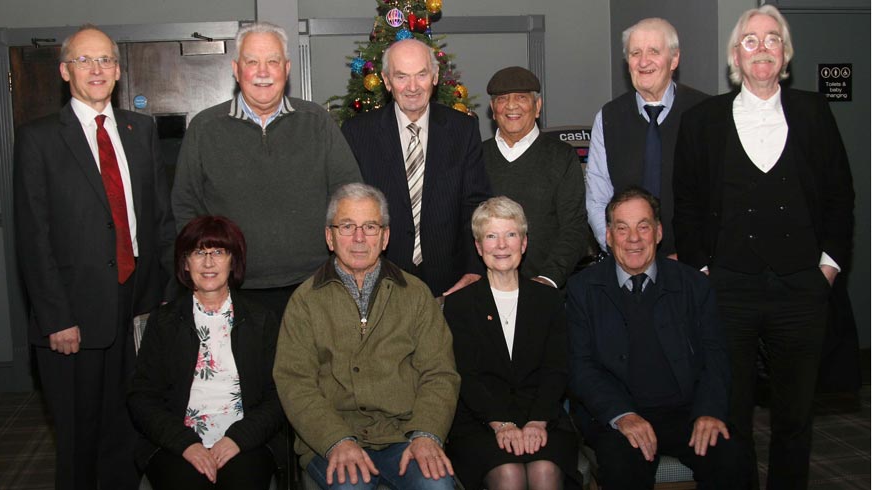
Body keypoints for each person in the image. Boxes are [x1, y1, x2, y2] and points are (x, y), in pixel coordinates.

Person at [672, 6, 854, 488]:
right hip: (729, 290)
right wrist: (703, 272)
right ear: (735, 56)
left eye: (773, 39)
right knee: (731, 415)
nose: (762, 48)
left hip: (801, 289)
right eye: (750, 41)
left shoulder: (815, 113)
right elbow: (686, 205)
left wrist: (828, 268)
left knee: (795, 417)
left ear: (785, 54)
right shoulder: (702, 121)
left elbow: (840, 195)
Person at [12, 25, 175, 490]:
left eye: (105, 59)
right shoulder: (39, 139)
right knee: (79, 441)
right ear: (65, 71)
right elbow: (33, 238)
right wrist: (56, 318)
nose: (97, 69)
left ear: (118, 71)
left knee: (127, 432)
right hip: (73, 320)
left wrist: (165, 295)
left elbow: (160, 219)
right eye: (84, 60)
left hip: (137, 308)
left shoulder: (140, 130)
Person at [274, 183, 460, 489]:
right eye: (347, 226)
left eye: (370, 227)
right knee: (352, 486)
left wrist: (426, 434)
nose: (359, 238)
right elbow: (295, 383)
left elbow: (439, 373)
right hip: (332, 439)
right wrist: (336, 440)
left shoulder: (415, 294)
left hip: (404, 435)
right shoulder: (305, 301)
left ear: (385, 237)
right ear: (330, 236)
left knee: (436, 484)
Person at [171, 21, 362, 320]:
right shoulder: (204, 129)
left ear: (287, 69)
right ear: (236, 70)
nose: (263, 72)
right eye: (252, 62)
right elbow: (185, 207)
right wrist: (205, 275)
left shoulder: (317, 122)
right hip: (233, 290)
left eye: (272, 61)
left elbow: (351, 198)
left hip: (315, 287)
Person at [566, 187, 749, 489]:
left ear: (659, 232)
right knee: (622, 468)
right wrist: (622, 415)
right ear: (608, 236)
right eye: (622, 229)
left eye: (643, 227)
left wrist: (709, 411)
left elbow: (716, 356)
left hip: (687, 412)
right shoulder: (582, 289)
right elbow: (580, 366)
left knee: (732, 457)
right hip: (618, 416)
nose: (633, 239)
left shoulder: (693, 285)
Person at [128, 216, 288, 489]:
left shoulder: (261, 320)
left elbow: (279, 395)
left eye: (218, 252)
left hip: (246, 442)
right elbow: (142, 397)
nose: (208, 262)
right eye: (198, 253)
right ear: (185, 263)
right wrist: (186, 444)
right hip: (177, 444)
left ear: (233, 261)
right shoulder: (164, 322)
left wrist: (237, 439)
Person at [443, 197, 580, 490]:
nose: (502, 245)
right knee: (509, 474)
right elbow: (466, 375)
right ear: (479, 247)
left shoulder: (549, 300)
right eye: (491, 236)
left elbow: (556, 369)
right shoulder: (459, 305)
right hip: (480, 422)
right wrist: (500, 423)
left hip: (543, 416)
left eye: (511, 234)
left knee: (544, 470)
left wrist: (538, 421)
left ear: (524, 243)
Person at [341, 39, 491, 298]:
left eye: (421, 75)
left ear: (435, 76)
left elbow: (475, 205)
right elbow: (349, 212)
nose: (412, 87)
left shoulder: (463, 130)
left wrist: (475, 269)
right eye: (401, 76)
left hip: (451, 283)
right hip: (380, 280)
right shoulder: (358, 133)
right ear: (387, 81)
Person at [585, 18, 707, 257]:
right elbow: (597, 198)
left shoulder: (705, 114)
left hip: (692, 262)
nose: (643, 62)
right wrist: (616, 248)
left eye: (653, 51)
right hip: (626, 260)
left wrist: (694, 255)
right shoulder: (608, 118)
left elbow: (721, 199)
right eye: (635, 53)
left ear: (674, 59)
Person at [482, 67, 589, 288]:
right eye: (502, 99)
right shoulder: (476, 157)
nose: (511, 105)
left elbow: (575, 228)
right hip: (485, 292)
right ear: (493, 109)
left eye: (521, 98)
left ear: (537, 106)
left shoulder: (562, 156)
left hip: (546, 289)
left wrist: (549, 279)